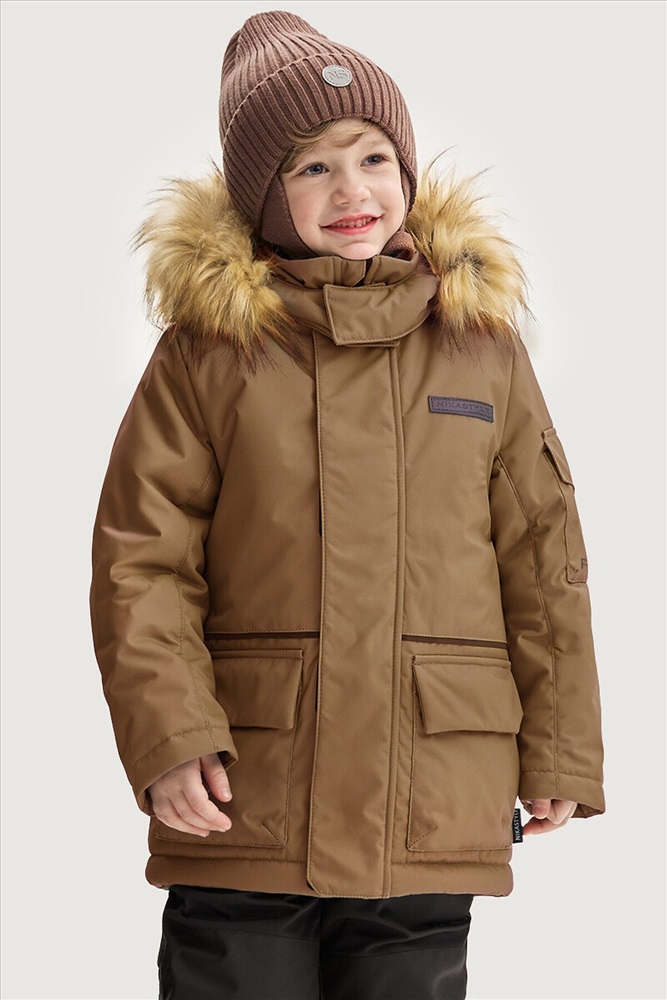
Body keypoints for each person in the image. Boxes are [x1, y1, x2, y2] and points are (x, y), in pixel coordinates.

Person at [89, 10, 605, 1000]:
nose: (352, 190)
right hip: (249, 789)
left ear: (406, 169)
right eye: (312, 167)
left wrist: (559, 748)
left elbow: (544, 562)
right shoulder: (209, 354)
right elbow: (140, 561)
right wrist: (168, 735)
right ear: (261, 194)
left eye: (372, 157)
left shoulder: (479, 347)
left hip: (432, 784)